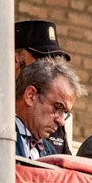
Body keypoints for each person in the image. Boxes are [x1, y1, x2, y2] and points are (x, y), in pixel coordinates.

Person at [16, 20, 73, 153]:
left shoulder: (55, 119)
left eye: (55, 61)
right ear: (16, 59)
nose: (50, 68)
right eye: (42, 60)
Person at [14, 56, 84, 159]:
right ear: (30, 95)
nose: (61, 121)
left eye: (65, 112)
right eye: (58, 107)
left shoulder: (51, 151)